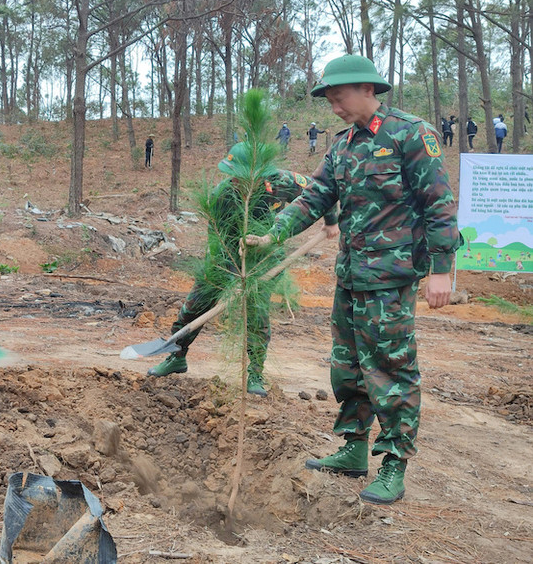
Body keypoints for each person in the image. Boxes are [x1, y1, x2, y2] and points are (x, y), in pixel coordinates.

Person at [246, 55, 461, 505]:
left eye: (338, 97)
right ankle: (353, 448)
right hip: (350, 276)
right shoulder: (342, 145)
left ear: (366, 88)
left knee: (391, 370)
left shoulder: (410, 133)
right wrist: (273, 234)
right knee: (347, 367)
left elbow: (438, 202)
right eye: (329, 100)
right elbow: (315, 196)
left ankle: (393, 464)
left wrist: (442, 269)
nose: (334, 107)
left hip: (391, 277)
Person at [147, 142, 340, 396]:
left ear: (259, 173)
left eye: (241, 176)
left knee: (256, 314)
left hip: (266, 259)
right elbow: (216, 245)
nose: (235, 181)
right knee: (193, 307)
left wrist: (331, 222)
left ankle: (255, 372)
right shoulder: (221, 196)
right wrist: (225, 278)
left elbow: (321, 193)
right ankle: (176, 356)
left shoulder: (282, 182)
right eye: (232, 175)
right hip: (226, 257)